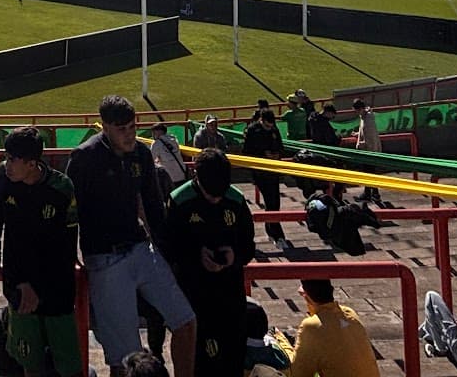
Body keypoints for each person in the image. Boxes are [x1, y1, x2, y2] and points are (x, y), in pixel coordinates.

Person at [66, 95, 196, 377]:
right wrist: (72, 258)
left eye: (132, 127)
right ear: (105, 127)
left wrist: (168, 252)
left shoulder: (141, 153)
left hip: (141, 249)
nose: (129, 134)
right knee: (124, 360)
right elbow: (70, 215)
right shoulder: (84, 158)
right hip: (104, 258)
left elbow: (154, 206)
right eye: (121, 129)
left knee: (186, 322)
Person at [0, 126, 83, 377]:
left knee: (69, 366)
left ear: (32, 164)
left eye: (12, 159)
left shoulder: (61, 189)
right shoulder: (2, 179)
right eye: (6, 157)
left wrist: (36, 287)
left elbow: (66, 249)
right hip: (18, 287)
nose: (6, 164)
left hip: (55, 290)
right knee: (30, 364)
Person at [161, 149, 257, 376]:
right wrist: (196, 255)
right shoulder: (179, 201)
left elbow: (248, 246)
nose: (216, 198)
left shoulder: (236, 200)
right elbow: (169, 248)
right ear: (196, 175)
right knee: (197, 362)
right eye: (209, 193)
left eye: (220, 192)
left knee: (232, 361)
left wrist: (234, 257)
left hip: (230, 297)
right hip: (193, 296)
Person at [284, 278, 379, 377]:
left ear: (305, 295)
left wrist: (282, 343)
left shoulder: (311, 326)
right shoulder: (350, 313)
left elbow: (298, 373)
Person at [241, 108, 288, 245]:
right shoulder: (252, 130)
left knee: (275, 202)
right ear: (261, 120)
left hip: (273, 171)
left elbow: (280, 146)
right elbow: (246, 152)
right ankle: (277, 234)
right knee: (270, 201)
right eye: (267, 125)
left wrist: (277, 154)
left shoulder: (274, 129)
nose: (270, 128)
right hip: (260, 172)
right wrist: (263, 155)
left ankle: (274, 232)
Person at [351, 100, 385, 207]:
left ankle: (372, 193)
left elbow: (369, 136)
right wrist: (358, 134)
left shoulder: (367, 119)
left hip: (369, 151)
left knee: (369, 172)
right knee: (369, 172)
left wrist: (360, 145)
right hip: (370, 150)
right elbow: (366, 132)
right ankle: (371, 193)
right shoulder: (365, 117)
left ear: (360, 109)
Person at [149, 122, 189, 197]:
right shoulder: (174, 139)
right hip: (182, 174)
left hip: (169, 179)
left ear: (159, 132)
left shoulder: (156, 144)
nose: (152, 134)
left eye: (154, 132)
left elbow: (150, 160)